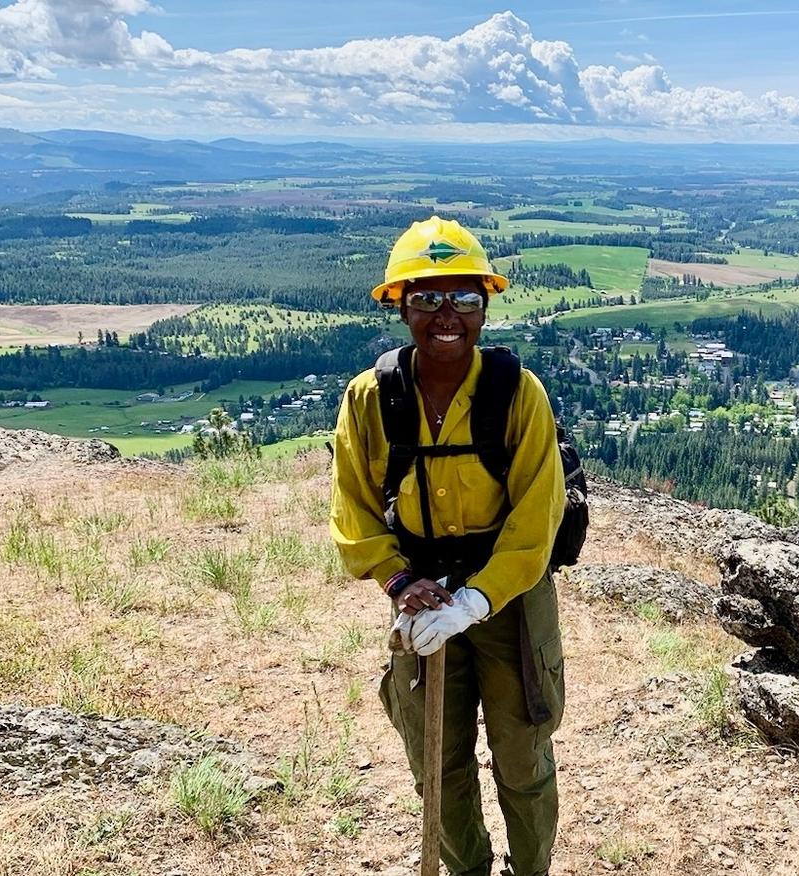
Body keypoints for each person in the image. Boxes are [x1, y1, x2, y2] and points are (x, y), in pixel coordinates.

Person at [330, 216, 566, 876]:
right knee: (437, 764)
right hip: (421, 594)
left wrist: (473, 603)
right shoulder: (371, 399)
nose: (447, 317)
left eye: (465, 299)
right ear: (399, 305)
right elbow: (352, 507)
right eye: (427, 298)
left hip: (510, 601)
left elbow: (536, 518)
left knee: (522, 759)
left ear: (484, 307)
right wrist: (402, 584)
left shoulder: (517, 394)